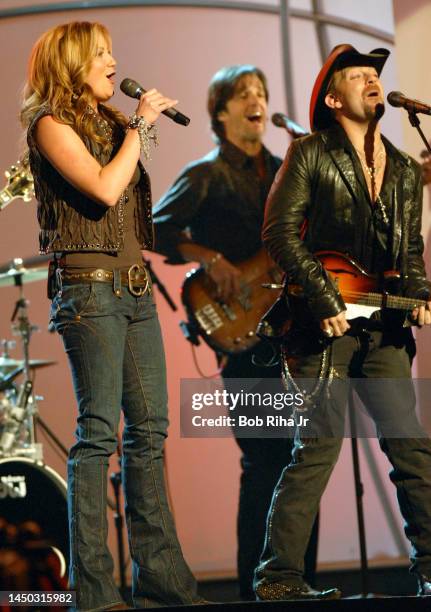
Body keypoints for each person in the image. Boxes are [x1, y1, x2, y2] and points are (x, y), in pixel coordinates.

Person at [21, 21, 204, 611]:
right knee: (98, 434)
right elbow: (102, 189)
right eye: (100, 54)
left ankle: (164, 582)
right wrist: (143, 125)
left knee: (149, 433)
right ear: (72, 63)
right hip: (89, 291)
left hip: (133, 289)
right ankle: (94, 591)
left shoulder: (114, 125)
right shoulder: (50, 124)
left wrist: (136, 128)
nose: (112, 61)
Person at [253, 44, 431, 601]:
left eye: (374, 74)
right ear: (333, 99)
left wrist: (420, 292)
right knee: (316, 450)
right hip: (318, 327)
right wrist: (327, 298)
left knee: (410, 449)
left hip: (384, 330)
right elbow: (279, 234)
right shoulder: (309, 153)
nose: (371, 81)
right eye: (357, 75)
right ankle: (279, 578)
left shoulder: (403, 168)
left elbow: (411, 252)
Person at [152, 64, 318, 600]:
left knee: (304, 461)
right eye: (244, 93)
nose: (257, 99)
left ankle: (301, 584)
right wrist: (208, 257)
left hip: (291, 336)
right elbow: (154, 227)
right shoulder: (205, 174)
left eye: (262, 93)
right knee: (264, 462)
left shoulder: (283, 170)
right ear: (221, 111)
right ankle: (256, 591)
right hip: (240, 341)